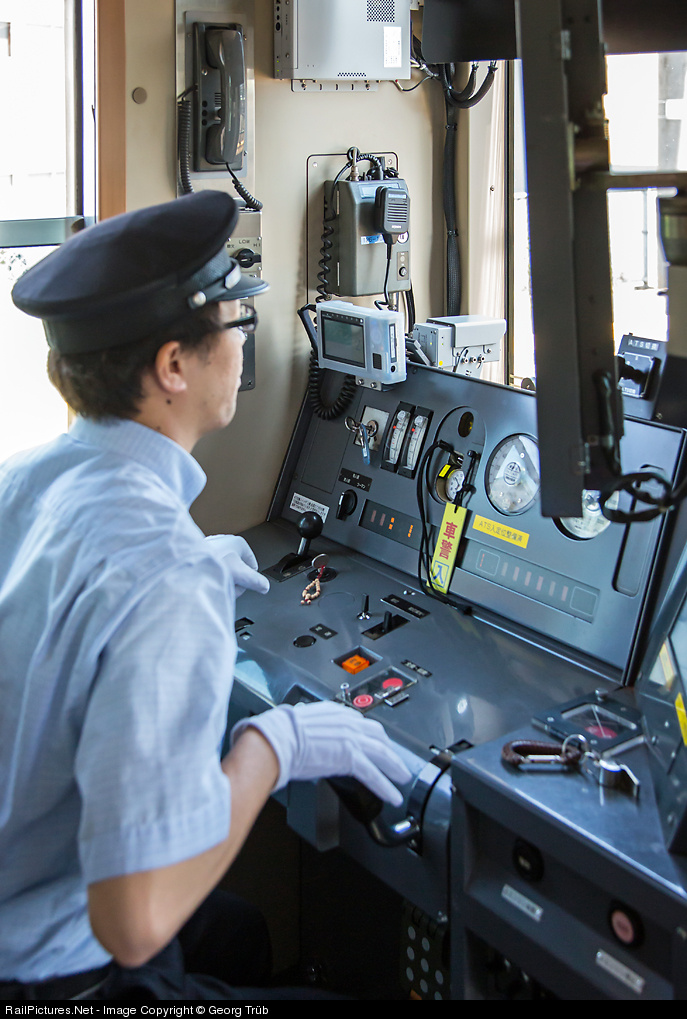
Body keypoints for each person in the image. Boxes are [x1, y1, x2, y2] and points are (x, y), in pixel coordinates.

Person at [0, 191, 411, 1000]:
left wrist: (190, 575)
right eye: (236, 319)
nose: (243, 339)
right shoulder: (164, 569)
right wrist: (275, 745)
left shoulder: (25, 480)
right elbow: (136, 921)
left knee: (240, 933)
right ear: (173, 366)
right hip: (55, 972)